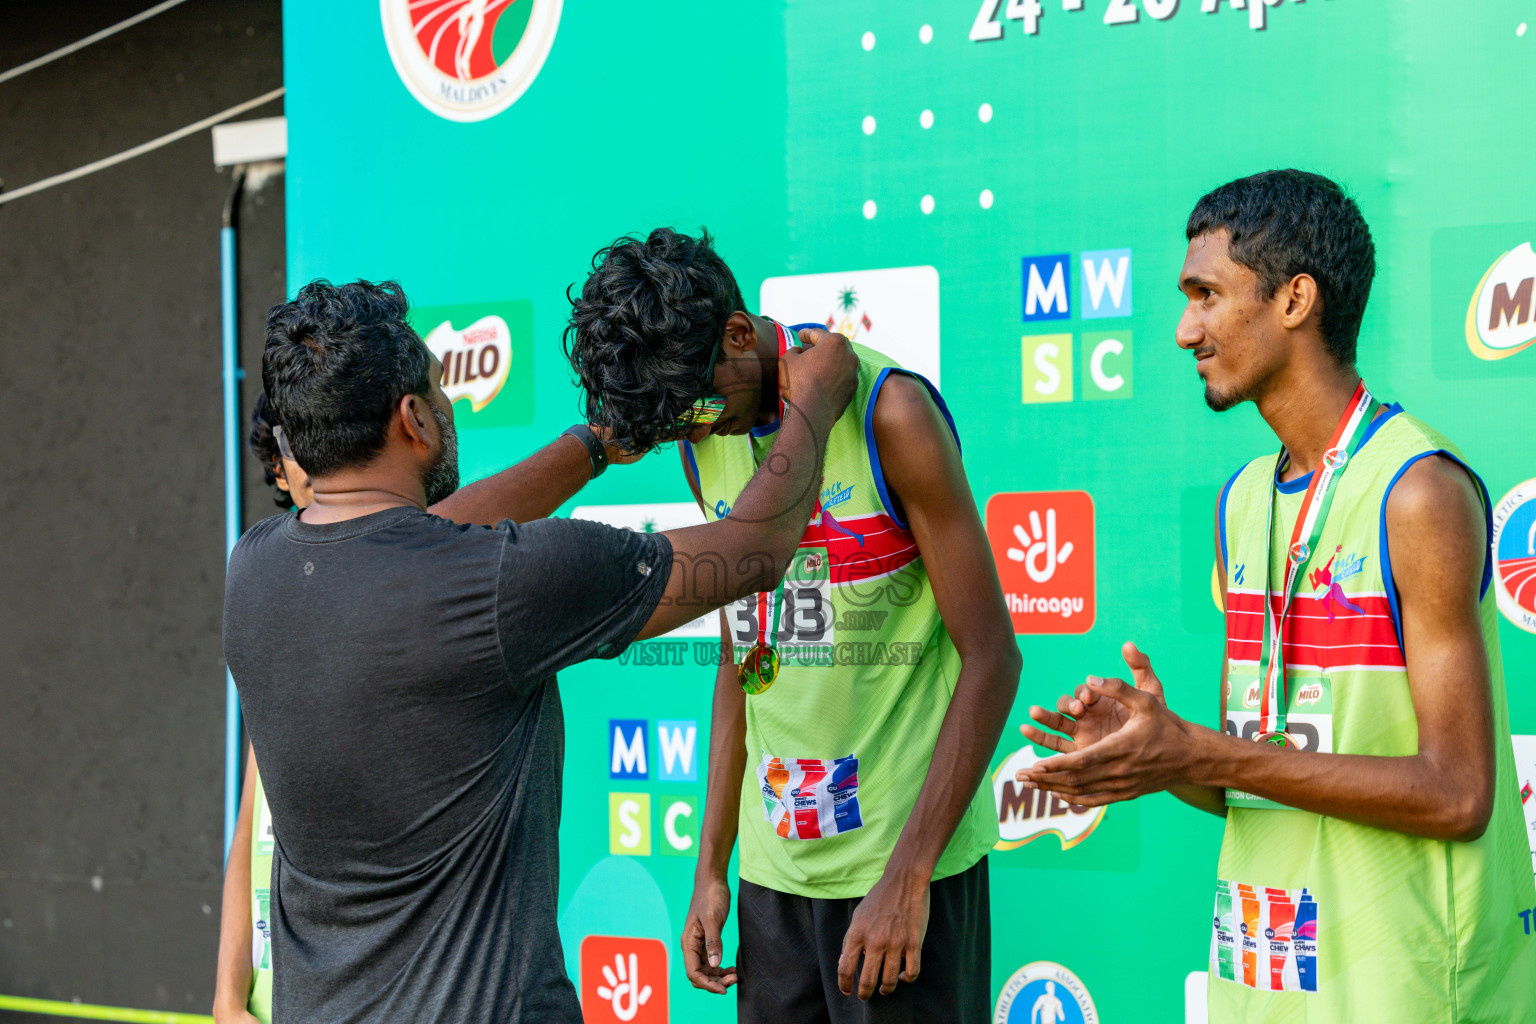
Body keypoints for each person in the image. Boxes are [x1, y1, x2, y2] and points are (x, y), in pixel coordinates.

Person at [222, 278, 858, 1024]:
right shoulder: (499, 585)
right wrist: (815, 403)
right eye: (439, 391)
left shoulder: (254, 568)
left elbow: (420, 539)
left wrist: (592, 447)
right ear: (413, 419)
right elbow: (754, 552)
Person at [1016, 170, 1536, 1022]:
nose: (1185, 330)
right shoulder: (1245, 499)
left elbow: (1461, 793)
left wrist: (1196, 752)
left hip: (1400, 992)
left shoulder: (1418, 492)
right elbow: (1255, 778)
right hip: (1264, 985)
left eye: (1207, 295)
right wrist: (1158, 751)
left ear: (1296, 300)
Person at [565, 228, 1020, 1022]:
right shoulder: (698, 433)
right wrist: (712, 865)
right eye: (677, 423)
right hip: (774, 879)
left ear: (741, 335)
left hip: (900, 873)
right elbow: (744, 652)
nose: (694, 431)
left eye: (700, 408)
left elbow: (992, 658)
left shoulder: (893, 412)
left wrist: (909, 878)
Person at [213, 395, 313, 1024]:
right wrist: (227, 996)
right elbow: (250, 823)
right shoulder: (270, 590)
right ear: (279, 468)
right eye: (302, 442)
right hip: (267, 1003)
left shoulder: (415, 581)